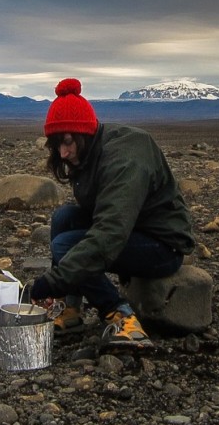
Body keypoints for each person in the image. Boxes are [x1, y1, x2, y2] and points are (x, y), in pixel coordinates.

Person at [29, 78, 195, 348]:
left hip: (161, 244)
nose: (63, 152)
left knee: (65, 246)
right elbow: (101, 215)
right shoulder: (92, 150)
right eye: (57, 144)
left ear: (84, 133)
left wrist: (52, 281)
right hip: (134, 227)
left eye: (68, 141)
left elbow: (110, 232)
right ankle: (70, 311)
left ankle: (122, 317)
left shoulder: (123, 160)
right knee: (63, 217)